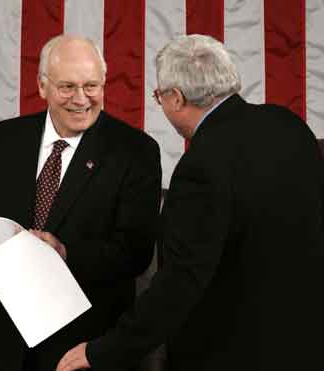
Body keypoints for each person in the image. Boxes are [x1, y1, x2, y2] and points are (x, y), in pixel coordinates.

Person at [56, 34, 324, 371]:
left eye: (159, 97)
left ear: (176, 98)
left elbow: (179, 284)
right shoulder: (289, 126)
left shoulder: (202, 166)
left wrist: (102, 351)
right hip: (306, 344)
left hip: (232, 353)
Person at [0, 35, 162, 371]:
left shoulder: (135, 151)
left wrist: (65, 251)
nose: (81, 99)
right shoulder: (2, 140)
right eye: (67, 87)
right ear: (42, 86)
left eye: (91, 86)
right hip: (6, 346)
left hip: (83, 347)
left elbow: (136, 252)